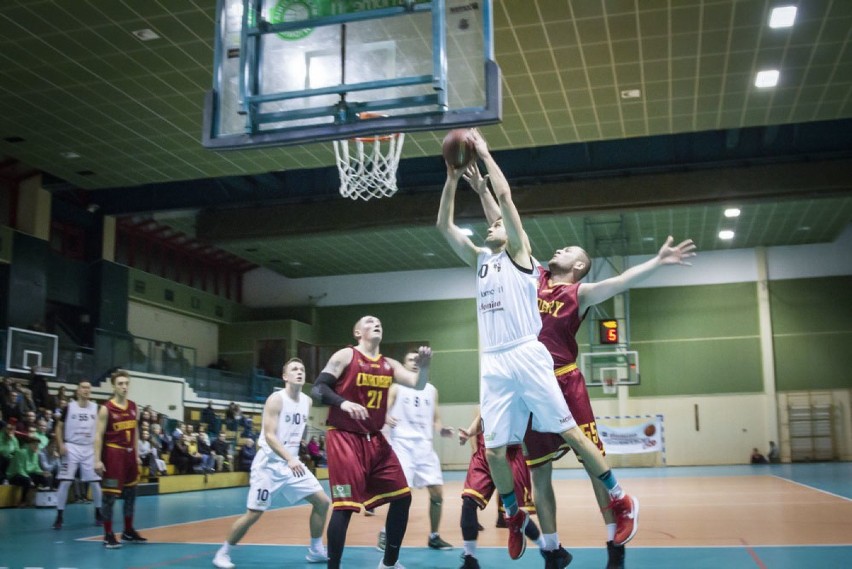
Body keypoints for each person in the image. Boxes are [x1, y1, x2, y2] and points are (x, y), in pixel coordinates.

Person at [466, 166, 696, 568]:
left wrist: (657, 262)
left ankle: (615, 545)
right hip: (525, 382)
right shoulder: (529, 275)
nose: (560, 250)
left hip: (563, 380)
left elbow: (621, 281)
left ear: (578, 266)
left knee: (589, 462)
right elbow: (502, 227)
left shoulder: (580, 293)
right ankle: (553, 550)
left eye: (569, 250)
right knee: (539, 477)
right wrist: (484, 191)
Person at [436, 129, 638, 564]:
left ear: (508, 235)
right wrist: (453, 178)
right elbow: (444, 226)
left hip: (529, 355)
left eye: (498, 226)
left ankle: (619, 497)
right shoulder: (480, 260)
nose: (493, 226)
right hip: (493, 362)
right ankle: (513, 516)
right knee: (493, 450)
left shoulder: (524, 257)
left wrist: (486, 155)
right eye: (489, 225)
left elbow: (505, 202)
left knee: (569, 433)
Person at [310, 315, 432, 569]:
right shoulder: (345, 356)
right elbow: (318, 388)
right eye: (368, 321)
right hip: (344, 437)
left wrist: (425, 366)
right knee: (345, 506)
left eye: (378, 322)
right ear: (357, 332)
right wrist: (343, 402)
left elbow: (417, 384)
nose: (375, 323)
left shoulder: (389, 364)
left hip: (375, 440)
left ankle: (388, 562)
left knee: (403, 497)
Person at [213, 358, 331, 568]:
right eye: (294, 369)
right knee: (254, 514)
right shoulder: (276, 399)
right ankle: (223, 552)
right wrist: (290, 456)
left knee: (322, 502)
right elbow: (269, 435)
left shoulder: (307, 401)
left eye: (302, 369)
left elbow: (296, 425)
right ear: (285, 376)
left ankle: (315, 550)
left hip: (291, 464)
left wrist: (296, 446)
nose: (299, 372)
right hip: (269, 465)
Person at [377, 350, 455, 553]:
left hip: (425, 448)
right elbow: (382, 409)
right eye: (410, 359)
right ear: (403, 365)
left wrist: (441, 429)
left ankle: (434, 536)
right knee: (401, 495)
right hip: (402, 446)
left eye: (417, 360)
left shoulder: (431, 390)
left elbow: (435, 418)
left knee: (437, 494)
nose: (414, 363)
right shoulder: (396, 388)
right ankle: (386, 533)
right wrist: (385, 417)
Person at [458, 411, 543, 569]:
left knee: (514, 513)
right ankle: (470, 559)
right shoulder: (488, 388)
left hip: (509, 453)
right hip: (485, 452)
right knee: (468, 501)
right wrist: (470, 432)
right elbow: (483, 411)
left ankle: (547, 550)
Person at [94, 370, 147, 548]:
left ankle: (128, 530)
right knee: (109, 496)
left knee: (131, 494)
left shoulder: (133, 406)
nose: (124, 387)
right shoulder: (106, 408)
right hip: (113, 455)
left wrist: (137, 454)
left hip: (130, 455)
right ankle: (108, 534)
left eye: (126, 383)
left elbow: (136, 431)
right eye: (120, 384)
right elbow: (98, 435)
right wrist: (97, 460)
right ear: (113, 386)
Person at [53, 379, 104, 530]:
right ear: (77, 391)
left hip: (89, 448)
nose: (86, 390)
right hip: (71, 447)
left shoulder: (97, 408)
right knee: (65, 482)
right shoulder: (69, 407)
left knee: (95, 483)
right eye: (83, 387)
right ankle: (59, 516)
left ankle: (98, 513)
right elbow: (58, 427)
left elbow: (101, 431)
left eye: (88, 388)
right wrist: (61, 444)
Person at [5, 436, 47, 506]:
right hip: (14, 475)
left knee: (43, 478)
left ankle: (40, 500)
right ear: (29, 444)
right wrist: (29, 479)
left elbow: (36, 467)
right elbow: (19, 469)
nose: (36, 446)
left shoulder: (35, 454)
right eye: (34, 444)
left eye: (37, 445)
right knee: (27, 481)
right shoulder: (21, 452)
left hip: (27, 474)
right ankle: (23, 501)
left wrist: (42, 472)